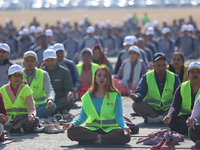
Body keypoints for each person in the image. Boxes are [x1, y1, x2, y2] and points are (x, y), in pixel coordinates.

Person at [63, 66, 131, 145]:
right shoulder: (87, 96)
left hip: (111, 129)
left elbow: (119, 116)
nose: (102, 78)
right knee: (72, 131)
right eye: (99, 75)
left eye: (105, 76)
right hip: (92, 129)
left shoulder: (116, 95)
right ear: (95, 78)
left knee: (126, 136)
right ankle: (100, 139)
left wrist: (124, 127)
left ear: (109, 79)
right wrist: (72, 124)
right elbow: (82, 117)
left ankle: (93, 141)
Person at [129, 53, 181, 124]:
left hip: (168, 110)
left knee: (180, 105)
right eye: (158, 66)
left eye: (163, 65)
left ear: (166, 65)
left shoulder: (174, 77)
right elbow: (140, 92)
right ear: (153, 66)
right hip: (152, 110)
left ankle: (156, 119)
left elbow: (179, 95)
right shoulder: (146, 77)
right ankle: (161, 118)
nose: (161, 68)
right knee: (136, 104)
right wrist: (136, 96)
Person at [163, 62, 200, 135]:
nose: (195, 74)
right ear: (188, 74)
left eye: (198, 72)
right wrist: (170, 115)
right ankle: (194, 130)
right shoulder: (182, 87)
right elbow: (175, 105)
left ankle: (193, 130)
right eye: (192, 72)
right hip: (185, 118)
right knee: (173, 122)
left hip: (199, 118)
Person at [0, 64, 39, 133]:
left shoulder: (26, 89)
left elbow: (31, 108)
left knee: (35, 120)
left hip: (22, 119)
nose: (17, 78)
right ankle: (17, 129)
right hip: (6, 120)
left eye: (19, 75)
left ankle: (11, 129)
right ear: (9, 78)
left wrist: (31, 115)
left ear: (21, 78)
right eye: (15, 75)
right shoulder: (2, 90)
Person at [23, 51, 56, 118]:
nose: (29, 62)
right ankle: (32, 117)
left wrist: (50, 100)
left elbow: (49, 90)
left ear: (36, 63)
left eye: (32, 61)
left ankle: (29, 117)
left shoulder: (43, 74)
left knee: (53, 106)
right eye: (27, 61)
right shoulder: (18, 74)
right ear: (23, 63)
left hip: (39, 107)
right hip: (23, 107)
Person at [42, 49, 74, 114]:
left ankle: (52, 109)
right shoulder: (41, 72)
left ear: (56, 59)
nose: (50, 63)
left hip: (60, 99)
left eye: (52, 60)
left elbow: (69, 88)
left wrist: (69, 94)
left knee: (70, 101)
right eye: (47, 60)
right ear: (44, 61)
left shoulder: (64, 71)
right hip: (46, 100)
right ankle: (58, 110)